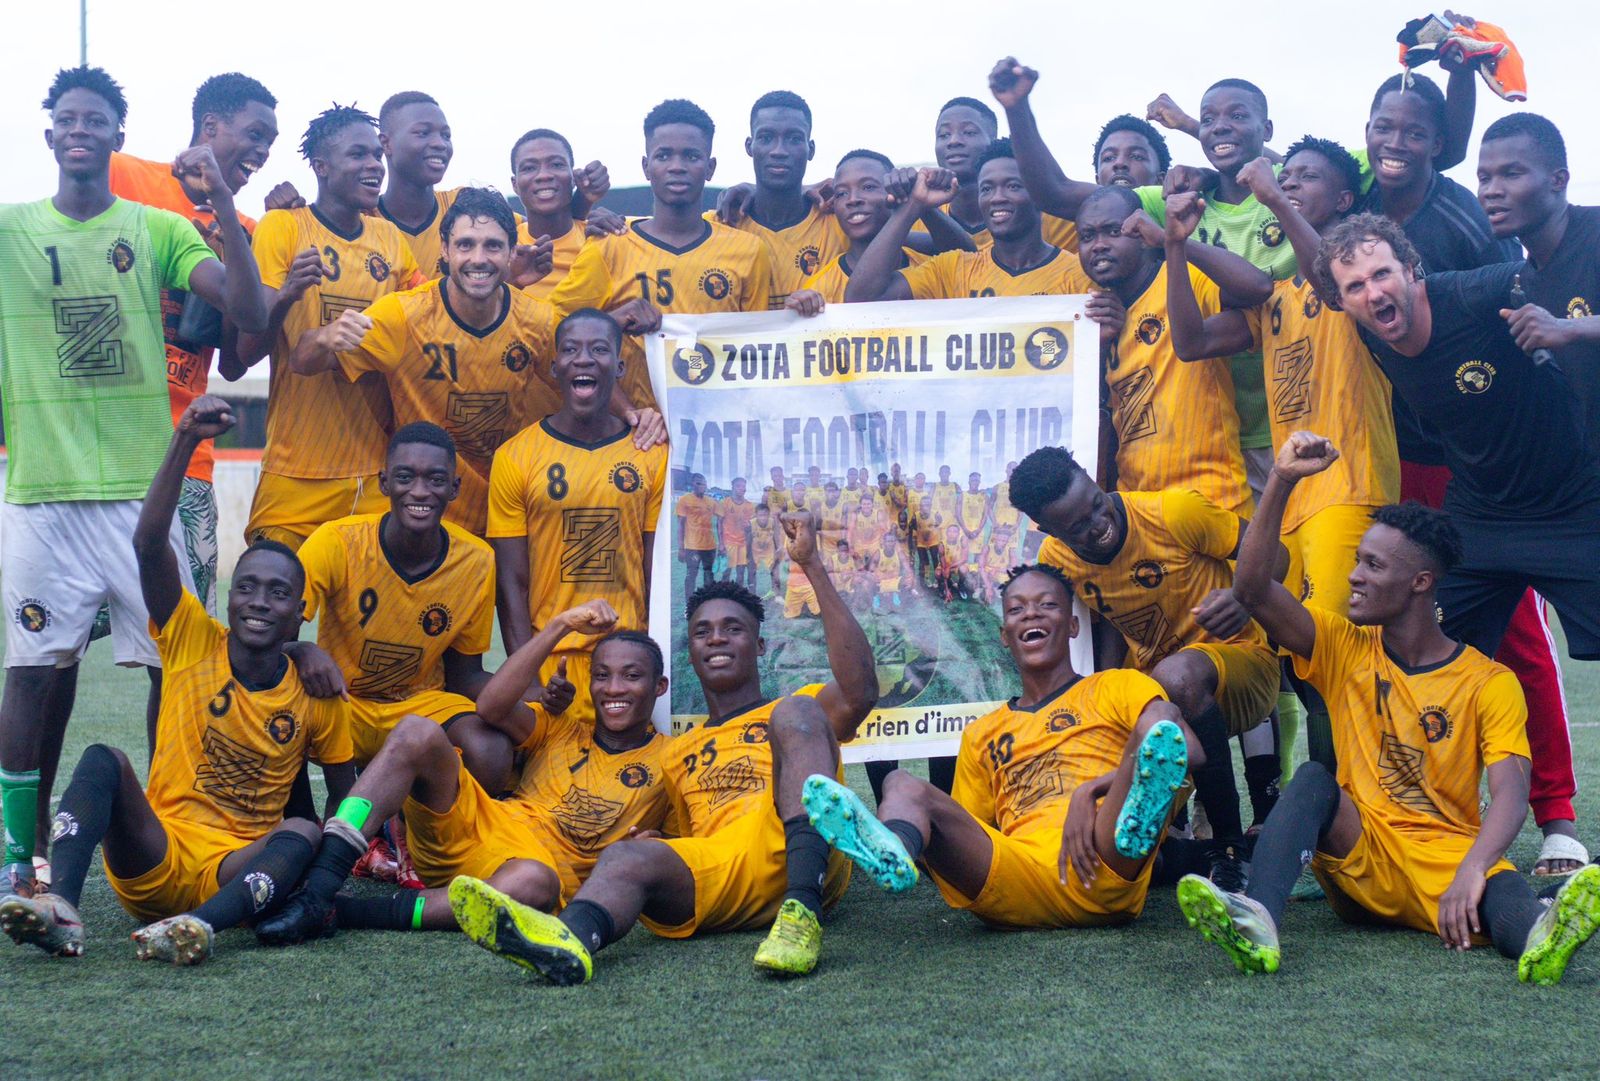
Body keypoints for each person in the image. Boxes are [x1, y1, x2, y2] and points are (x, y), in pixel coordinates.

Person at [1181, 431, 1600, 984]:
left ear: (1420, 583)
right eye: (1358, 561)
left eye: (1373, 566)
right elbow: (1254, 590)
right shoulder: (1343, 644)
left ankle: (1544, 928)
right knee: (1314, 779)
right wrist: (1280, 480)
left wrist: (1474, 868)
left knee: (1506, 900)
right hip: (1361, 857)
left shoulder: (1489, 681)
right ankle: (1257, 916)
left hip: (1446, 862)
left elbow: (1510, 794)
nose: (1354, 576)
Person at [0, 67, 269, 900]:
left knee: (175, 664)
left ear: (118, 135)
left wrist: (223, 204)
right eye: (67, 118)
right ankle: (18, 855)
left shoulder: (158, 227)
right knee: (32, 668)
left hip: (145, 494)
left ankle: (162, 829)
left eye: (97, 120)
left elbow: (249, 314)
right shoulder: (10, 230)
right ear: (50, 134)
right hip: (41, 491)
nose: (80, 130)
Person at [446, 513, 878, 983]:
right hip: (723, 868)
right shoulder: (675, 753)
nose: (716, 637)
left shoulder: (796, 710)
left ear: (760, 644)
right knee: (625, 857)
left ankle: (802, 911)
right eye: (702, 631)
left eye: (732, 628)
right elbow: (681, 834)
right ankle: (566, 942)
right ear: (689, 652)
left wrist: (811, 565)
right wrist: (656, 845)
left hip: (797, 849)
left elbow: (860, 692)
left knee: (796, 710)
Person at [0, 396, 353, 963]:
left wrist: (321, 881)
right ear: (229, 598)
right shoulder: (192, 637)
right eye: (246, 587)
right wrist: (186, 439)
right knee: (103, 759)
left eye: (278, 593)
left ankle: (196, 928)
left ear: (300, 609)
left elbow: (341, 798)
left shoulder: (317, 692)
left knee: (305, 832)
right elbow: (147, 545)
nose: (258, 601)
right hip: (155, 856)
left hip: (236, 874)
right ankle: (59, 905)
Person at [1361, 75, 1575, 879]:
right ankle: (1408, 817)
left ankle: (1556, 815)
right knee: (1398, 633)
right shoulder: (1354, 205)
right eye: (1383, 126)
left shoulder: (1465, 218)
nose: (1396, 142)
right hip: (1382, 458)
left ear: (1440, 140)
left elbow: (1526, 308)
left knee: (1515, 632)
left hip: (1473, 468)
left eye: (1415, 130)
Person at [1166, 141, 1400, 776]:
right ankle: (1329, 797)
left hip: (1348, 490)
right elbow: (1190, 342)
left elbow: (1333, 283)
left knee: (1337, 654)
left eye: (1306, 177)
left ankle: (1356, 796)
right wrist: (1176, 247)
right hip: (1292, 503)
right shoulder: (1275, 294)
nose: (1289, 182)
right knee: (1302, 662)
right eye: (1285, 175)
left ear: (1345, 199)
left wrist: (1270, 195)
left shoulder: (1359, 282)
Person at [804, 562, 1202, 931]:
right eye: (1016, 609)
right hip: (1018, 873)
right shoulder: (982, 733)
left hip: (1102, 854)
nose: (1031, 614)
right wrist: (933, 843)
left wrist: (1093, 790)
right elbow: (968, 828)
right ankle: (894, 849)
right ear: (1004, 634)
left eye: (1047, 605)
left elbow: (1191, 751)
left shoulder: (1116, 685)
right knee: (900, 784)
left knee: (1159, 717)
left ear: (1073, 625)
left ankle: (1136, 821)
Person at [1316, 215, 1600, 691]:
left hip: (1574, 504)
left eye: (1382, 274)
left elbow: (1559, 274)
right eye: (1356, 286)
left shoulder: (1476, 294)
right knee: (1420, 655)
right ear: (1341, 302)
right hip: (1481, 518)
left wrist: (1568, 328)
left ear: (1411, 269)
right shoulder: (1371, 332)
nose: (1374, 293)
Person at [256, 600, 641, 945]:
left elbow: (662, 849)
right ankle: (319, 886)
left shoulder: (666, 757)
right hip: (477, 825)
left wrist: (648, 840)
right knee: (416, 731)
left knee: (535, 883)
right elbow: (491, 706)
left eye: (632, 676)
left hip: (523, 870)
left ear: (660, 686)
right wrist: (561, 625)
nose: (614, 688)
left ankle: (341, 911)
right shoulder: (563, 728)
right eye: (601, 676)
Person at [1009, 446, 1283, 890]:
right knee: (1121, 835)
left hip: (1242, 665)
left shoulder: (1174, 512)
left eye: (1096, 503)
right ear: (1048, 530)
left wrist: (1243, 598)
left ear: (1093, 480)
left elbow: (1280, 557)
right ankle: (1182, 854)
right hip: (1160, 697)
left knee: (1176, 678)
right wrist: (1101, 691)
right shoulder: (1057, 561)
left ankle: (1228, 851)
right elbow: (1111, 618)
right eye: (1078, 527)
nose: (1099, 524)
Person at [286, 187, 560, 536]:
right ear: (445, 249)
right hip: (426, 518)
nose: (478, 258)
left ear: (511, 253)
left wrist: (626, 413)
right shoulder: (405, 315)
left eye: (493, 246)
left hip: (504, 516)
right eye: (465, 245)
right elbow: (301, 361)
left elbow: (583, 385)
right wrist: (324, 336)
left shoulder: (538, 320)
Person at [108, 71, 280, 618]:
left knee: (186, 633)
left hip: (186, 451)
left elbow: (235, 361)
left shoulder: (249, 228)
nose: (262, 151)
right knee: (62, 634)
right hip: (99, 446)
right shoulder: (123, 174)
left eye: (270, 143)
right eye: (254, 135)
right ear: (210, 127)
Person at [1478, 112, 1599, 872]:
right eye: (1484, 176)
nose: (1492, 189)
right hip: (1569, 494)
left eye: (1511, 173)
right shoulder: (1513, 273)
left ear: (1558, 179)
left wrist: (1572, 330)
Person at [234, 105, 424, 549]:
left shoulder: (390, 239)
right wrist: (287, 294)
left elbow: (431, 312)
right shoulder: (283, 227)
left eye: (376, 155)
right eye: (357, 155)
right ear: (321, 166)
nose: (374, 165)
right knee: (271, 589)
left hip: (373, 474)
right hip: (295, 471)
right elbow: (245, 351)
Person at [485, 309, 668, 729]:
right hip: (553, 663)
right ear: (555, 368)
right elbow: (512, 583)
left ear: (619, 368)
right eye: (570, 350)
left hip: (629, 664)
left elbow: (656, 572)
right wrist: (529, 681)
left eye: (599, 349)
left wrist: (653, 663)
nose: (583, 359)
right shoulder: (515, 456)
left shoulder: (652, 454)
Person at [546, 99, 772, 412]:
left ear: (710, 168)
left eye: (691, 156)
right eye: (663, 155)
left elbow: (758, 353)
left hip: (718, 426)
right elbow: (554, 333)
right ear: (646, 167)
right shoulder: (609, 245)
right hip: (633, 431)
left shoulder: (748, 250)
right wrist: (612, 323)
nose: (677, 166)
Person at [296, 422, 497, 769]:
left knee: (490, 752)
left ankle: (407, 804)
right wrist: (302, 650)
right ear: (385, 482)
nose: (419, 492)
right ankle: (305, 803)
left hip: (419, 708)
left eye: (435, 480)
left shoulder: (477, 561)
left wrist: (531, 699)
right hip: (341, 702)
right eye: (405, 478)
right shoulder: (336, 541)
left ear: (454, 488)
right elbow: (274, 641)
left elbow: (465, 675)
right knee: (277, 709)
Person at [1075, 186, 1271, 516]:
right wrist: (1100, 345)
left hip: (1213, 497)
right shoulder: (1090, 312)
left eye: (1113, 231)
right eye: (1087, 236)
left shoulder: (1180, 276)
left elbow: (1258, 287)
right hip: (1138, 506)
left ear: (1141, 234)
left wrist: (1173, 242)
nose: (1099, 245)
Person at [844, 142, 1080, 302]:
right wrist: (915, 203)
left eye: (1013, 186)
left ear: (1040, 194)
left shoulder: (1077, 273)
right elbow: (861, 298)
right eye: (986, 189)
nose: (997, 198)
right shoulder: (954, 269)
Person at [987, 56, 1171, 254]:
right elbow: (1053, 193)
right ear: (1097, 180)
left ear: (1162, 180)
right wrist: (1017, 108)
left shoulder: (1173, 208)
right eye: (1108, 158)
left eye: (1136, 156)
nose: (1119, 164)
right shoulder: (1092, 222)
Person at [711, 91, 844, 308]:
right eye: (766, 138)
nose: (779, 151)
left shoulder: (839, 224)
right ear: (749, 146)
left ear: (810, 149)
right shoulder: (720, 224)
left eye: (794, 139)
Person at [510, 128, 612, 301]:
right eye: (529, 168)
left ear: (574, 177)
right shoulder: (501, 247)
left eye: (556, 165)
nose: (544, 175)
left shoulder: (603, 240)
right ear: (515, 184)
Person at [677, 474, 718, 594]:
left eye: (704, 483)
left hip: (710, 547)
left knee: (709, 574)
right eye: (698, 483)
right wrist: (681, 548)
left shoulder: (711, 502)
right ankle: (689, 602)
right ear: (692, 484)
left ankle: (708, 600)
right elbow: (680, 525)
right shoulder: (685, 500)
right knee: (691, 574)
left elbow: (723, 518)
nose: (702, 486)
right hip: (692, 547)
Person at [717, 478, 757, 588]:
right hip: (728, 543)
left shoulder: (749, 505)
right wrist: (721, 544)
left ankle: (738, 594)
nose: (742, 488)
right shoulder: (724, 503)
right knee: (726, 572)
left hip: (743, 543)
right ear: (732, 487)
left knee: (741, 573)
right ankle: (724, 593)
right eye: (738, 486)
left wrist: (749, 526)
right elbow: (719, 523)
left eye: (744, 486)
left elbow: (752, 526)